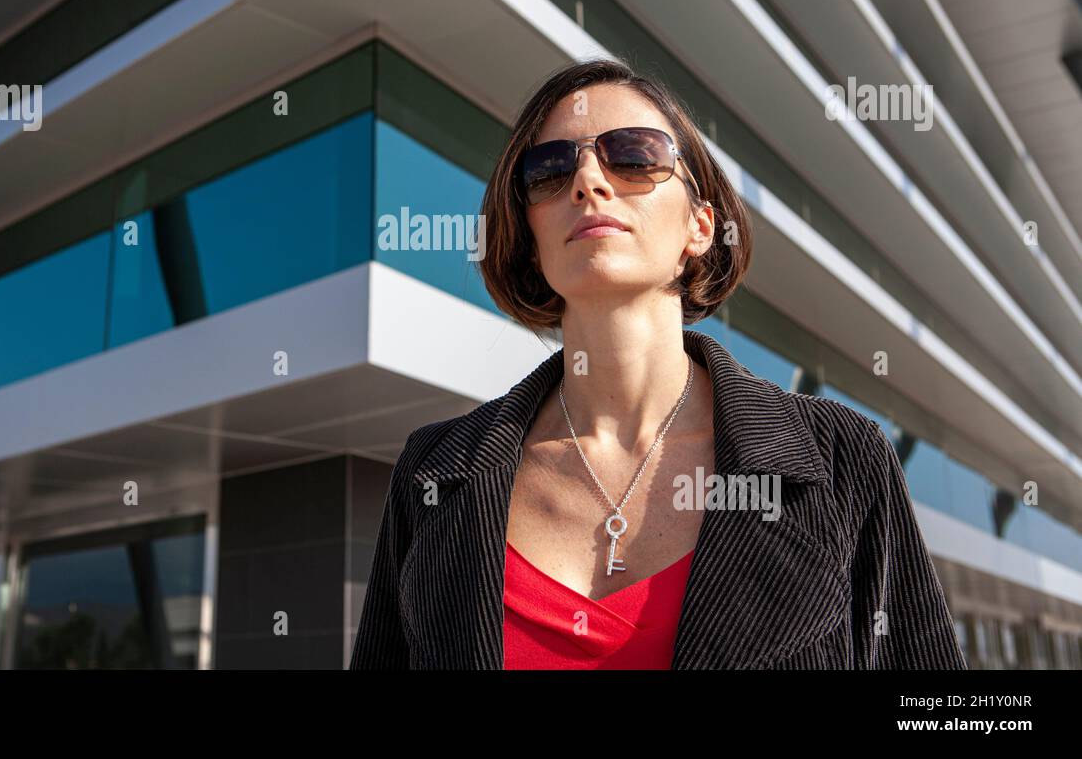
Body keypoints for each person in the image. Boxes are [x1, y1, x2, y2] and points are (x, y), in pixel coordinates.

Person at [350, 57, 966, 670]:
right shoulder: (433, 473)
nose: (587, 181)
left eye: (635, 156)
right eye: (550, 169)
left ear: (699, 227)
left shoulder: (842, 458)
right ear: (532, 240)